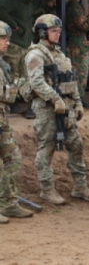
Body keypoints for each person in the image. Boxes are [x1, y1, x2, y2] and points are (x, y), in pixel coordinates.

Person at [25, 14, 89, 205]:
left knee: (76, 145)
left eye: (58, 31)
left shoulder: (59, 54)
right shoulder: (36, 54)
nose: (57, 34)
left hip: (66, 108)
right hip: (46, 109)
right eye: (53, 31)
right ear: (42, 32)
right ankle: (47, 190)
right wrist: (55, 99)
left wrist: (78, 102)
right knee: (46, 148)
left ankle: (80, 187)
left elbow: (70, 80)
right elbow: (36, 82)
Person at [0, 0, 56, 118]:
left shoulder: (29, 3)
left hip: (25, 45)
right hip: (14, 45)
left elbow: (40, 1)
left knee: (25, 76)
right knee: (13, 74)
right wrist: (13, 26)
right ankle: (13, 103)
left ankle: (23, 103)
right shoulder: (12, 1)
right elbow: (1, 9)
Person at [0, 21, 34, 223]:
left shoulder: (3, 64)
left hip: (2, 120)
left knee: (14, 158)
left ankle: (8, 202)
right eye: (4, 39)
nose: (7, 43)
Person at [66, 0, 89, 108]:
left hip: (78, 45)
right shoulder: (75, 7)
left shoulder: (75, 6)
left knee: (80, 73)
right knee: (80, 73)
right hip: (77, 45)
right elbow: (83, 26)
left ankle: (79, 98)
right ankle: (78, 99)